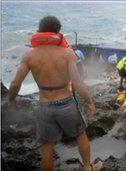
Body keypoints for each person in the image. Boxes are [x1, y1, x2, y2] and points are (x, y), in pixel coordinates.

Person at [8, 16, 98, 171]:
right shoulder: (67, 53)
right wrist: (89, 101)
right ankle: (88, 168)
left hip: (45, 105)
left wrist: (12, 99)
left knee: (47, 146)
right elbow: (77, 82)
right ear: (58, 31)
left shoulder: (29, 55)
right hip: (66, 102)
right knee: (80, 135)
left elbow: (16, 83)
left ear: (39, 31)